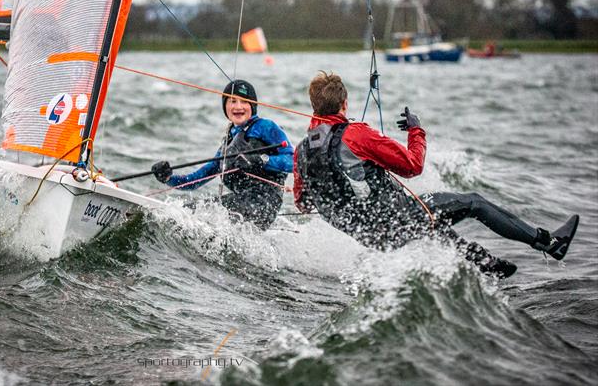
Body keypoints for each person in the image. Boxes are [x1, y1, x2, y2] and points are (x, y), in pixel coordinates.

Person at [293, 71, 579, 278]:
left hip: (370, 236)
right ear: (344, 105)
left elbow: (303, 204)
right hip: (395, 218)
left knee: (433, 225)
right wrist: (416, 130)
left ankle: (488, 267)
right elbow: (413, 166)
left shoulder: (301, 150)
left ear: (313, 106)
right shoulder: (356, 134)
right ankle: (549, 243)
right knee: (472, 202)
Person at [151, 79, 293, 230]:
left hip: (264, 204)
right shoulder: (228, 144)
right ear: (225, 107)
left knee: (194, 212)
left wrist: (261, 160)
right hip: (242, 203)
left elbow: (293, 161)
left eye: (244, 101)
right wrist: (168, 178)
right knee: (188, 209)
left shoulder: (265, 127)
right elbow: (196, 180)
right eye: (232, 101)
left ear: (252, 106)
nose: (238, 106)